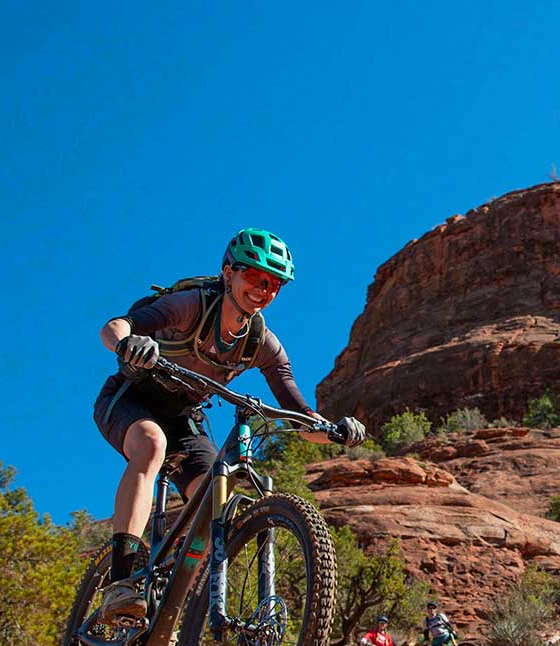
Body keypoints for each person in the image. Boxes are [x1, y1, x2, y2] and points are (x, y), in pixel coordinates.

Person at [94, 227, 366, 623]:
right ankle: (120, 582)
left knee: (214, 505)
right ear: (228, 273)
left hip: (186, 416)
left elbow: (299, 412)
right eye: (255, 277)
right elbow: (117, 326)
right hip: (133, 397)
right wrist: (127, 344)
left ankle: (166, 627)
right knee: (151, 445)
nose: (264, 289)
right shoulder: (190, 305)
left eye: (274, 284)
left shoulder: (262, 343)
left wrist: (335, 430)